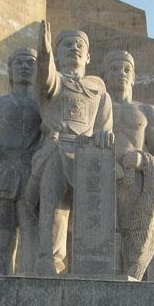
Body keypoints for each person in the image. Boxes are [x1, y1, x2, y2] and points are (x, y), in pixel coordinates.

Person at [26, 22, 114, 275]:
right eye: (66, 44)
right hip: (54, 149)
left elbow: (105, 128)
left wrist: (103, 136)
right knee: (54, 209)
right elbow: (45, 75)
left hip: (87, 157)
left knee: (92, 212)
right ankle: (50, 261)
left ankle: (92, 262)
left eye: (79, 45)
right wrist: (43, 51)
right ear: (57, 53)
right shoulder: (53, 83)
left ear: (88, 56)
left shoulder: (99, 91)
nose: (73, 48)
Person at [0, 47, 42, 275]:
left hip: (33, 176)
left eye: (30, 63)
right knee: (1, 240)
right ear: (10, 71)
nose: (24, 67)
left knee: (32, 240)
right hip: (3, 176)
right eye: (19, 63)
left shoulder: (44, 106)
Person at [103, 50, 154, 280]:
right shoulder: (97, 108)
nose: (120, 73)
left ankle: (131, 280)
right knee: (104, 240)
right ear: (105, 75)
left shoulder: (147, 111)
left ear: (133, 77)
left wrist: (143, 160)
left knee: (135, 238)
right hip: (103, 181)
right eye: (114, 69)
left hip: (137, 183)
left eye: (126, 69)